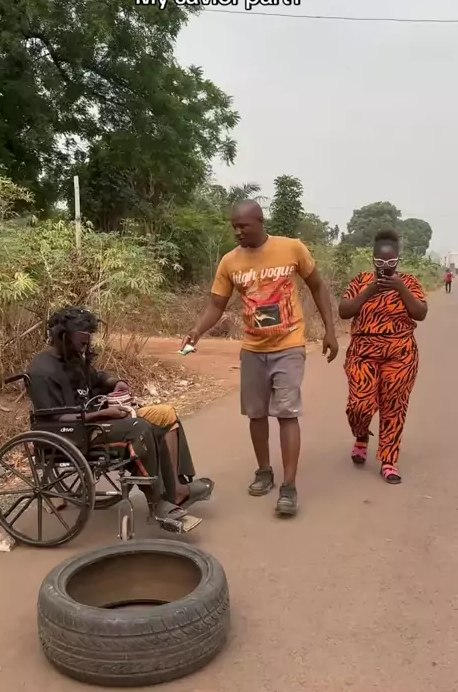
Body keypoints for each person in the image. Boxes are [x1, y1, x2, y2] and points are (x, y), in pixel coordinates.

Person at [181, 200, 339, 517]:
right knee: (256, 414)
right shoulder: (230, 262)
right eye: (234, 227)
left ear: (260, 222)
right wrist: (196, 331)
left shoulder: (292, 248)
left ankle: (289, 486)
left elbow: (318, 287)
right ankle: (264, 471)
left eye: (243, 226)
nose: (237, 232)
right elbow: (216, 305)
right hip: (253, 348)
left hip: (289, 345)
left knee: (287, 413)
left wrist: (330, 331)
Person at [26, 307, 212, 521]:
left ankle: (177, 488)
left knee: (165, 415)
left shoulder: (73, 359)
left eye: (87, 342)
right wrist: (102, 414)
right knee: (140, 428)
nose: (85, 347)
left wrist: (115, 383)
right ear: (64, 337)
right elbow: (54, 420)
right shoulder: (42, 370)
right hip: (77, 432)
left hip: (96, 420)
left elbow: (97, 379)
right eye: (82, 342)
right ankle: (158, 502)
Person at [338, 228, 427, 484]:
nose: (385, 268)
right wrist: (369, 291)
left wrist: (400, 288)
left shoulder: (409, 282)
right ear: (373, 259)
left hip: (400, 354)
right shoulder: (361, 281)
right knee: (360, 405)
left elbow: (420, 313)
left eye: (390, 263)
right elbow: (344, 311)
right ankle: (361, 435)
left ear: (398, 259)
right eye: (380, 262)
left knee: (393, 407)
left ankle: (388, 460)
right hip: (363, 353)